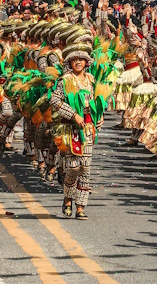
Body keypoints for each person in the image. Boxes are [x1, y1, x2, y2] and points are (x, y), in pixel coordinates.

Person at [50, 39, 103, 220]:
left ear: (87, 62)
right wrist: (74, 115)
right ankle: (67, 198)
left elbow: (98, 100)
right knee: (73, 168)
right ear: (69, 63)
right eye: (74, 59)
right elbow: (55, 101)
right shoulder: (65, 80)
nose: (78, 62)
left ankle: (81, 207)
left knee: (85, 169)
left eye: (81, 59)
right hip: (70, 129)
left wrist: (100, 116)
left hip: (88, 129)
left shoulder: (92, 80)